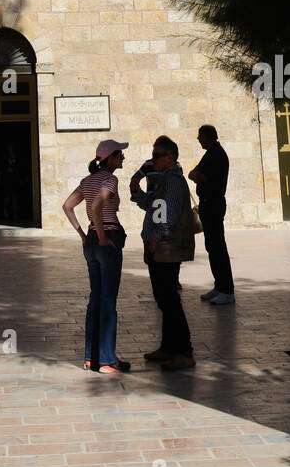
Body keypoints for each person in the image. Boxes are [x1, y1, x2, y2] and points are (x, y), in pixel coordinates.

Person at [62, 139, 131, 374]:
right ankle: (106, 360)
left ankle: (91, 358)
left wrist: (84, 235)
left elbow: (67, 206)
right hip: (106, 238)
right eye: (119, 154)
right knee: (108, 300)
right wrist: (101, 236)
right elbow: (97, 207)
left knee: (96, 299)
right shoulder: (109, 179)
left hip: (91, 241)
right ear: (109, 157)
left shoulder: (87, 180)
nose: (122, 158)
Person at [131, 135, 197, 370]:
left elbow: (166, 219)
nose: (153, 160)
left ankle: (184, 351)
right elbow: (152, 206)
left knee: (170, 300)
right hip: (159, 248)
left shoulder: (175, 182)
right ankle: (168, 347)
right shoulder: (164, 181)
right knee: (164, 300)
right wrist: (136, 193)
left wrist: (154, 241)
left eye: (157, 156)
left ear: (169, 158)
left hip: (166, 249)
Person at [189, 124, 235, 305]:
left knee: (218, 248)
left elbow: (200, 176)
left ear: (208, 137)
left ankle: (227, 290)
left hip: (214, 204)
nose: (198, 139)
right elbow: (194, 173)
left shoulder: (217, 155)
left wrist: (197, 175)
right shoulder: (210, 153)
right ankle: (219, 286)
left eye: (200, 136)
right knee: (212, 247)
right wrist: (196, 175)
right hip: (207, 204)